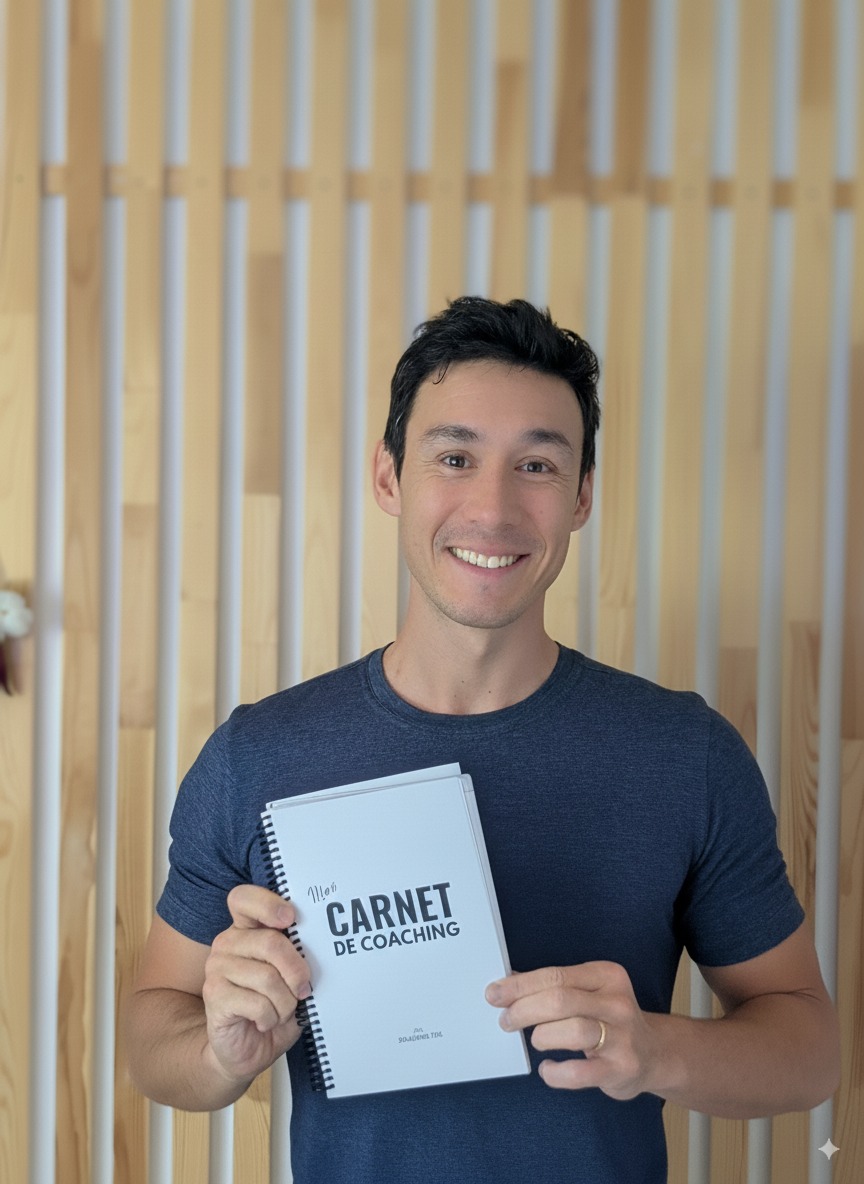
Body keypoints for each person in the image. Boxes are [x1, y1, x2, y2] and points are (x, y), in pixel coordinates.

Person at [126, 297, 840, 1183]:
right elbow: (153, 1034)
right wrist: (217, 1052)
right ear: (389, 477)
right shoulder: (256, 756)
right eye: (455, 457)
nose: (493, 508)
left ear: (581, 497)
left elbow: (809, 1048)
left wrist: (656, 1050)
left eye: (537, 465)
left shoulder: (684, 753)